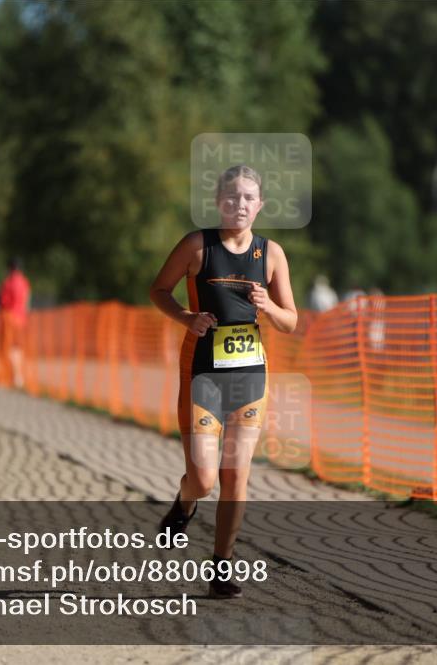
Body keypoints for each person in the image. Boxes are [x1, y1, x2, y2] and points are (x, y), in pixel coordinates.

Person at [149, 164, 297, 599]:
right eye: (232, 197)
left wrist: (269, 307)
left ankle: (221, 567)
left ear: (261, 205)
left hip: (250, 377)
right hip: (202, 374)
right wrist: (186, 318)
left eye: (249, 198)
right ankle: (186, 501)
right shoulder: (198, 246)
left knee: (236, 477)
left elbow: (291, 320)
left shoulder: (271, 254)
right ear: (218, 201)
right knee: (205, 478)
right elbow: (158, 290)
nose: (240, 205)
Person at [0, 258, 31, 389]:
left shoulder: (9, 282)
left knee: (10, 348)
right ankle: (18, 376)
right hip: (22, 318)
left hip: (10, 318)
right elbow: (27, 300)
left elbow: (4, 302)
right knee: (18, 347)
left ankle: (15, 376)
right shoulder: (25, 282)